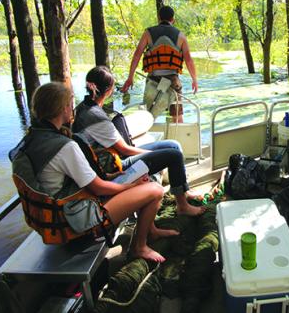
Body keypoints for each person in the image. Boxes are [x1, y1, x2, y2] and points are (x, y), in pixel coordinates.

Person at [12, 82, 173, 262]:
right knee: (154, 190)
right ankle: (139, 247)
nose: (71, 108)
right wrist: (131, 185)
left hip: (56, 218)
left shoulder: (32, 140)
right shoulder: (64, 147)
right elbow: (99, 189)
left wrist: (116, 178)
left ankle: (151, 230)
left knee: (137, 183)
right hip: (73, 221)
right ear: (64, 108)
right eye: (70, 104)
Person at [73, 66, 205, 216]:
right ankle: (183, 206)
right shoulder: (96, 117)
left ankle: (183, 192)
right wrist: (155, 154)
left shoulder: (82, 108)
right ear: (109, 90)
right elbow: (125, 150)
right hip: (116, 167)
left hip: (109, 159)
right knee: (174, 155)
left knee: (174, 145)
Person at [121, 5, 198, 123]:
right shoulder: (181, 35)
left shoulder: (148, 33)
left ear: (158, 18)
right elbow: (188, 60)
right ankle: (177, 139)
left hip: (153, 80)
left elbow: (137, 55)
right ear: (173, 19)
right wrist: (194, 80)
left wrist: (130, 77)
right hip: (173, 81)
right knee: (177, 116)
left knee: (146, 115)